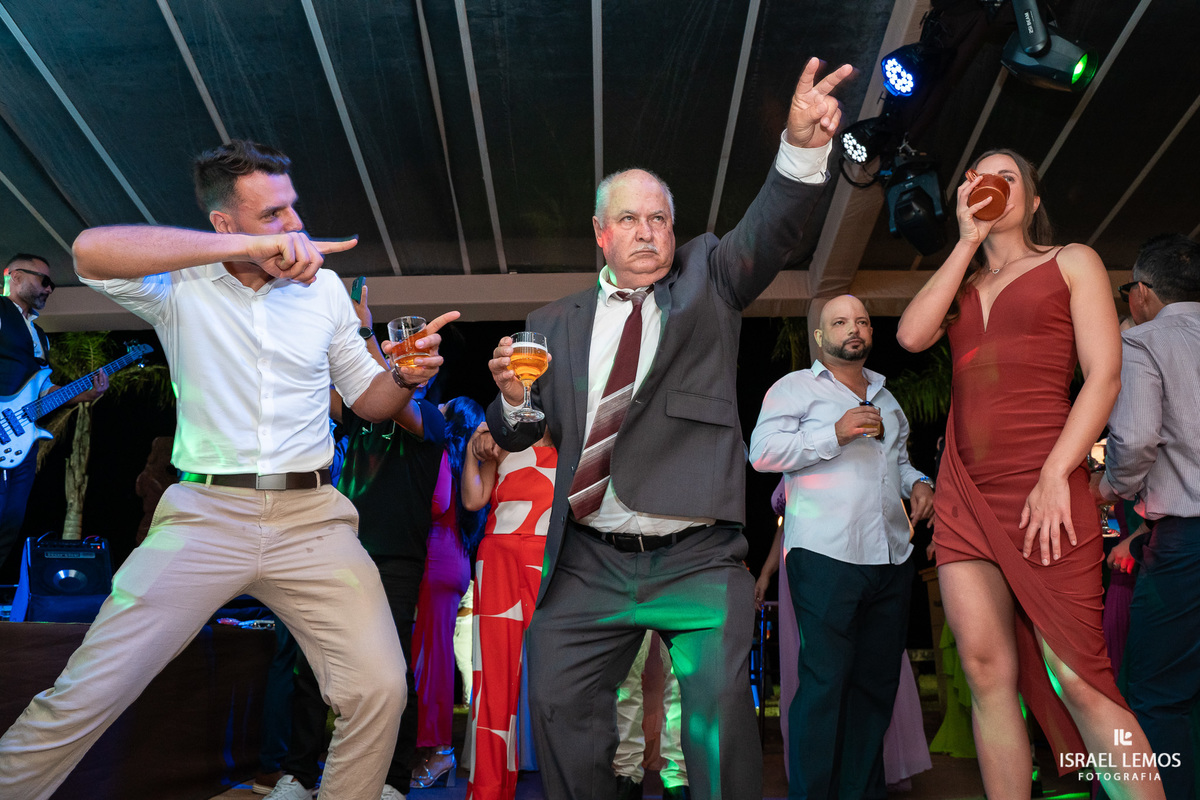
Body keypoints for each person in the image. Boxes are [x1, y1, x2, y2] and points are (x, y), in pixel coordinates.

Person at [0, 139, 457, 800]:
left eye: (292, 209)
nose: (294, 226)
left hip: (313, 520)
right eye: (270, 215)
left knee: (379, 688)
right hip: (205, 517)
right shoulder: (179, 285)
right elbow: (92, 250)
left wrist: (404, 376)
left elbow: (369, 400)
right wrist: (242, 253)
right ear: (224, 223)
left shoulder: (324, 292)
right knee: (90, 687)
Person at [484, 56, 852, 800]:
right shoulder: (551, 323)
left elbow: (772, 229)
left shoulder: (708, 280)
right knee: (557, 704)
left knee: (716, 720)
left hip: (697, 559)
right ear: (600, 233)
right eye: (629, 219)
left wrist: (802, 145)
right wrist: (514, 398)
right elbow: (520, 432)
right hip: (588, 560)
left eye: (658, 219)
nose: (647, 232)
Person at [896, 149, 1162, 800]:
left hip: (1047, 482)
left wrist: (1056, 474)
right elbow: (910, 335)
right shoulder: (960, 287)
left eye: (1007, 177)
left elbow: (1104, 376)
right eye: (980, 178)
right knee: (988, 676)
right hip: (964, 492)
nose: (993, 186)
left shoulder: (1072, 261)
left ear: (1034, 201)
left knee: (1080, 678)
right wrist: (965, 243)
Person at [268, 283, 450, 800]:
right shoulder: (360, 413)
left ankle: (393, 780)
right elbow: (334, 394)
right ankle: (298, 776)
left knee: (387, 667)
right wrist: (332, 335)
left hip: (395, 559)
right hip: (337, 549)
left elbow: (392, 400)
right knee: (309, 661)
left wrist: (365, 330)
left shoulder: (427, 420)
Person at [749, 293, 933, 800]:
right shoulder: (795, 389)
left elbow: (896, 465)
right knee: (825, 684)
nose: (854, 329)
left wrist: (918, 483)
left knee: (875, 689)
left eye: (862, 321)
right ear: (820, 336)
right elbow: (761, 452)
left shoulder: (887, 398)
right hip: (825, 557)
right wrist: (834, 432)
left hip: (891, 558)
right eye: (840, 322)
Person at [1097, 234, 1200, 799]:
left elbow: (1134, 440)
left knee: (1159, 695)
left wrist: (1108, 488)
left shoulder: (1145, 343)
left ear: (1141, 292)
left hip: (1187, 543)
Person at [460, 424, 556, 800]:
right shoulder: (499, 426)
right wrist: (472, 448)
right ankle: (487, 792)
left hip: (550, 554)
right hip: (498, 554)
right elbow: (473, 500)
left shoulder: (570, 416)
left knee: (562, 685)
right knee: (492, 685)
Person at [1, 254, 108, 572]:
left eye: (52, 284)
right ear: (15, 276)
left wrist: (81, 394)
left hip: (21, 443)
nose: (49, 289)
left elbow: (42, 391)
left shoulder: (40, 336)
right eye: (44, 280)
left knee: (10, 521)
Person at [410, 396, 488, 790]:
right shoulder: (465, 460)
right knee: (433, 656)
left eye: (446, 405)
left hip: (437, 558)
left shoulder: (442, 452)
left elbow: (438, 502)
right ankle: (432, 749)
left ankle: (438, 751)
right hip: (453, 557)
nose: (437, 405)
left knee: (430, 660)